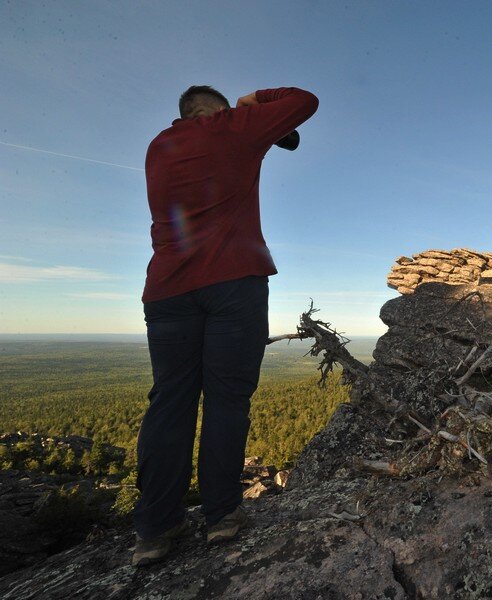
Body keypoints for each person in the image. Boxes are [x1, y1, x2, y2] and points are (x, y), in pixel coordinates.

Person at [132, 85, 318, 567]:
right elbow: (304, 101)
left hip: (168, 288)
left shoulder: (159, 146)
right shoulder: (231, 126)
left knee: (170, 401)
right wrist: (253, 100)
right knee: (227, 399)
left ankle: (155, 527)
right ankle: (220, 516)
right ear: (216, 110)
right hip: (233, 281)